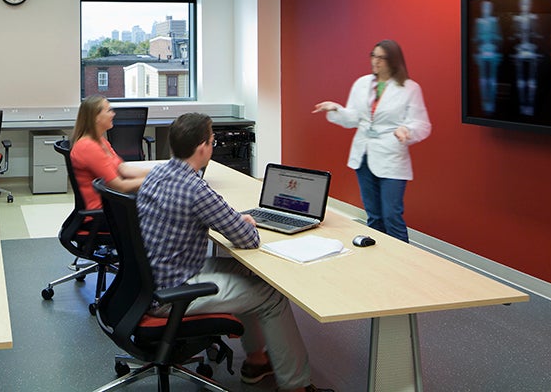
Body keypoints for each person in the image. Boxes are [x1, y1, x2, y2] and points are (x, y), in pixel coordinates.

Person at [136, 113, 331, 392]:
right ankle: (297, 386)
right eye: (213, 140)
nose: (213, 145)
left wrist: (234, 219)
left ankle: (256, 361)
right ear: (202, 147)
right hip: (173, 292)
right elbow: (248, 239)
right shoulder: (195, 188)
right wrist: (244, 222)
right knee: (272, 296)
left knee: (252, 276)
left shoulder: (158, 173)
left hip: (154, 278)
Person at [313, 39, 431, 243]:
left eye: (381, 58)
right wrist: (336, 109)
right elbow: (353, 118)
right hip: (363, 155)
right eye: (373, 55)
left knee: (391, 215)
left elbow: (422, 124)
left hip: (391, 156)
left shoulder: (410, 88)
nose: (375, 61)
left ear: (394, 61)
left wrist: (407, 130)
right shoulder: (362, 83)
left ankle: (403, 263)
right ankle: (377, 263)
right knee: (374, 216)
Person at [70, 95, 150, 210]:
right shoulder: (87, 147)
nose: (113, 114)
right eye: (109, 111)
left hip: (114, 204)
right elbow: (120, 187)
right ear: (95, 117)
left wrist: (158, 172)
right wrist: (155, 180)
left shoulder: (100, 140)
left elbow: (123, 169)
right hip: (105, 212)